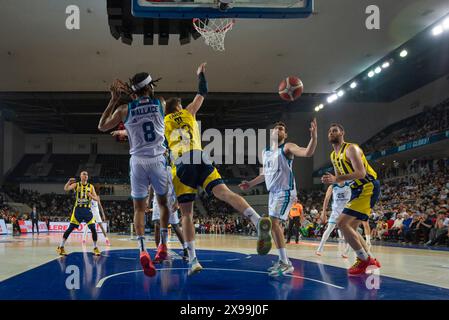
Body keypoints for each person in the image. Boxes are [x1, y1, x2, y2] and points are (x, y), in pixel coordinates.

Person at [164, 62, 272, 276]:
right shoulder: (189, 112)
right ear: (179, 106)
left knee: (187, 214)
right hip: (199, 156)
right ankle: (257, 220)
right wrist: (201, 75)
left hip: (181, 164)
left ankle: (193, 259)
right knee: (226, 193)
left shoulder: (163, 121)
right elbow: (202, 92)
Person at [98, 72, 171, 278]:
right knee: (163, 203)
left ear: (134, 92)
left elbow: (101, 126)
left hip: (137, 162)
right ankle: (163, 245)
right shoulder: (161, 103)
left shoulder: (123, 110)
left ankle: (142, 250)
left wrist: (113, 100)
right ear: (150, 88)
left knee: (139, 209)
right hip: (158, 159)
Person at [240, 119, 317, 276]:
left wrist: (314, 138)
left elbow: (307, 152)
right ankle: (283, 260)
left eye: (281, 129)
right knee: (274, 227)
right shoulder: (266, 152)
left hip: (285, 190)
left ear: (285, 134)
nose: (278, 130)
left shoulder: (288, 147)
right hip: (273, 193)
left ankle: (286, 263)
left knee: (273, 224)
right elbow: (264, 174)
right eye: (276, 129)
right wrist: (250, 184)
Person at [321, 123, 381, 275]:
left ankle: (364, 260)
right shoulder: (333, 155)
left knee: (341, 224)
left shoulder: (351, 148)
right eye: (329, 131)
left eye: (334, 130)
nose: (331, 133)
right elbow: (340, 180)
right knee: (351, 229)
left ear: (342, 133)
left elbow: (360, 173)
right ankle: (371, 259)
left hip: (367, 186)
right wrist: (331, 180)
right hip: (355, 190)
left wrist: (336, 178)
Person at [57, 171, 101, 256]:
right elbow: (66, 188)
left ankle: (95, 247)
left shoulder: (91, 187)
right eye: (83, 174)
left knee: (93, 228)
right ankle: (61, 247)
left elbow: (97, 199)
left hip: (87, 210)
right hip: (78, 210)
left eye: (87, 174)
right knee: (70, 228)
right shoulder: (76, 185)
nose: (85, 176)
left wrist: (91, 196)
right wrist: (68, 182)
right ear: (80, 176)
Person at [149, 175, 189, 261]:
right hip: (157, 200)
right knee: (157, 225)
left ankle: (186, 249)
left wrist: (177, 202)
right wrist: (148, 201)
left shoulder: (172, 169)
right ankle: (159, 252)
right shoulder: (154, 167)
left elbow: (178, 186)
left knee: (175, 226)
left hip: (170, 200)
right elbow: (151, 186)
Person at [316, 182, 351, 258]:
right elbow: (326, 198)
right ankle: (320, 248)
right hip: (335, 212)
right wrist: (323, 212)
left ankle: (346, 251)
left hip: (346, 211)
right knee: (329, 229)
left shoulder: (350, 184)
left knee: (349, 232)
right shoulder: (332, 186)